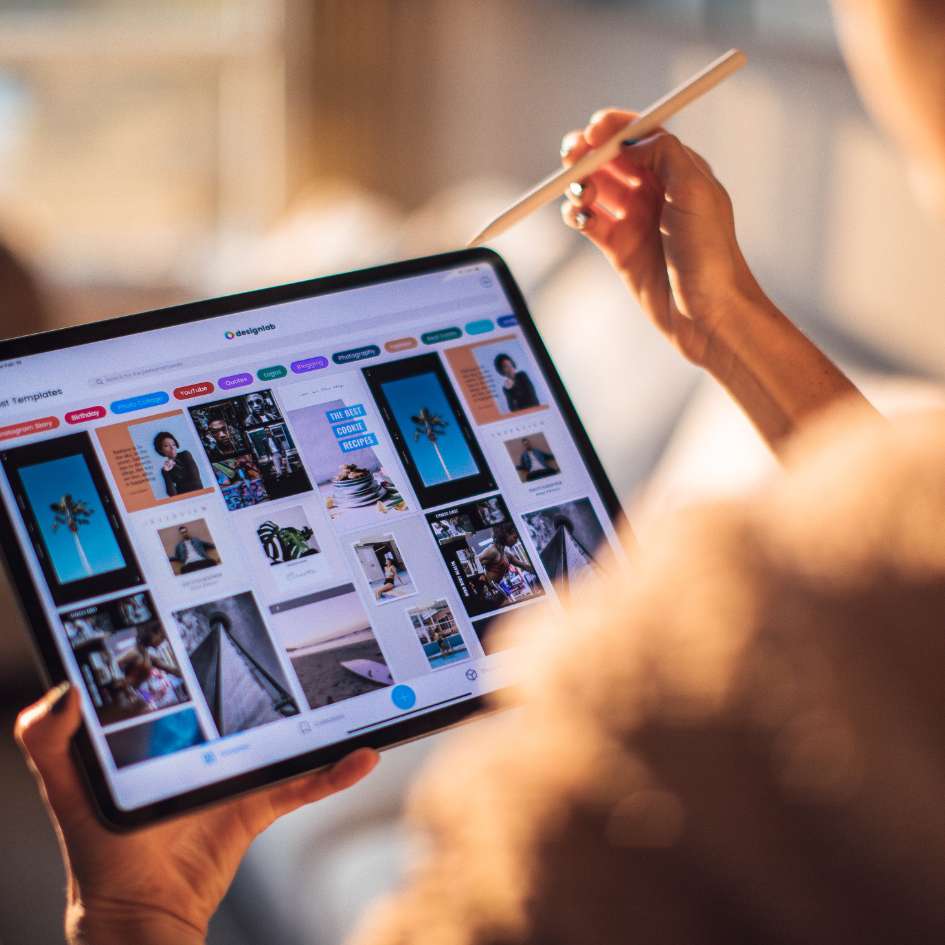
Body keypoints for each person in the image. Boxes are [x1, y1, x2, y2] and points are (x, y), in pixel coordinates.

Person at [13, 2, 945, 943]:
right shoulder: (893, 560)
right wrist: (725, 321)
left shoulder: (648, 752)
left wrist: (140, 912)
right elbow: (905, 568)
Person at [153, 432, 202, 498]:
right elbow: (172, 494)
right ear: (161, 450)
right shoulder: (165, 469)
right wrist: (166, 472)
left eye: (173, 444)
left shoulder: (185, 455)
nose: (172, 447)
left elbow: (195, 479)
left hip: (198, 493)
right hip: (183, 498)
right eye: (166, 446)